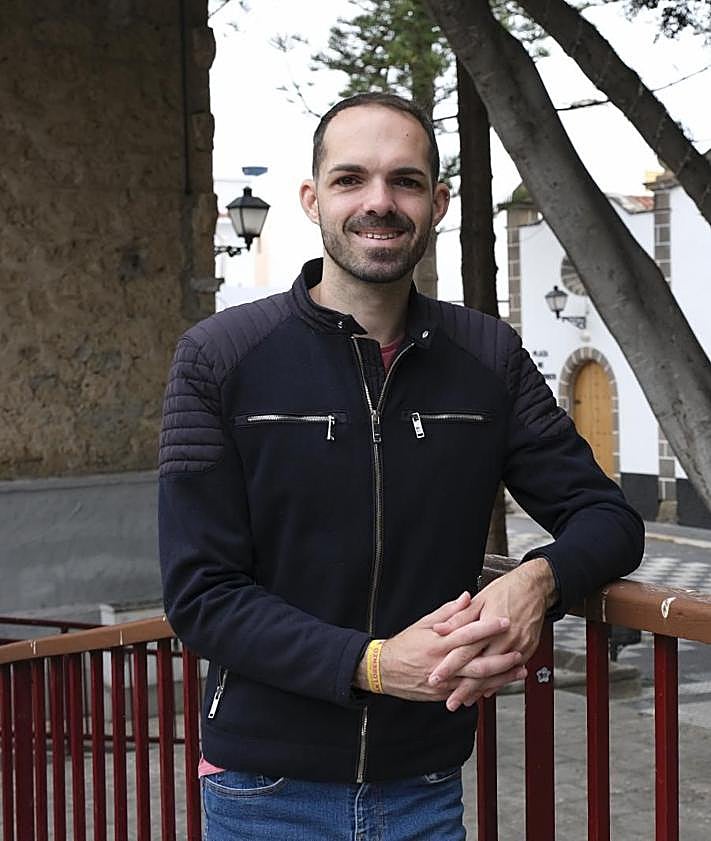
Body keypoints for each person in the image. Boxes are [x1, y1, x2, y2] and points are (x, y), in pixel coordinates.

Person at [159, 92, 644, 840]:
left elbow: (606, 517)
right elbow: (201, 592)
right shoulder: (218, 358)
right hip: (265, 788)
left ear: (438, 202)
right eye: (351, 179)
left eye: (405, 181)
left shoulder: (488, 358)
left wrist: (535, 581)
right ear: (311, 198)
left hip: (422, 783)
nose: (378, 202)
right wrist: (376, 664)